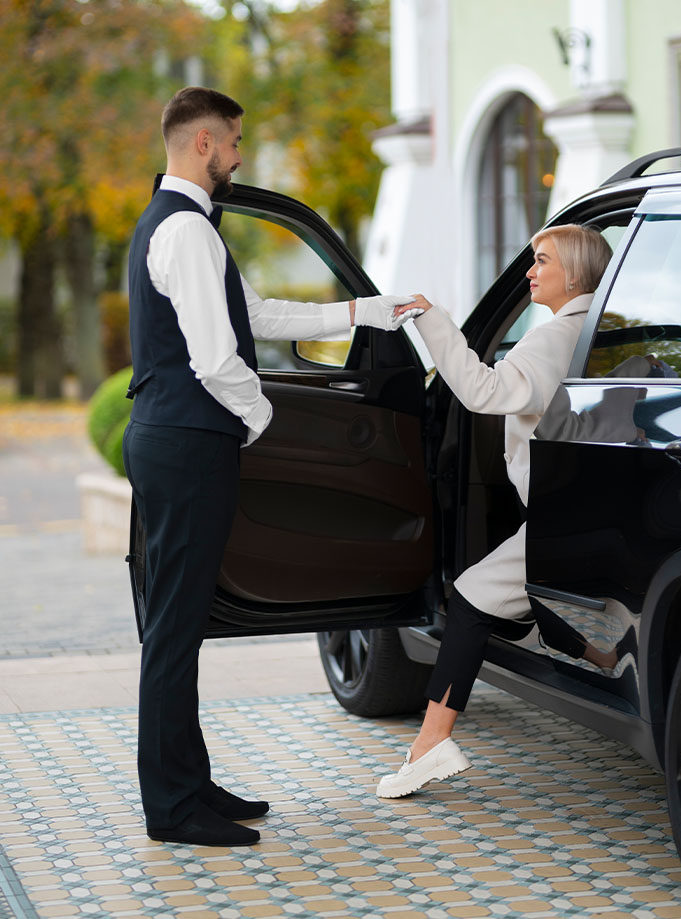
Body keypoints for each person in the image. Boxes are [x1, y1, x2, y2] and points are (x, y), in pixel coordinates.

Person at [122, 86, 416, 846]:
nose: (239, 156)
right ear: (202, 144)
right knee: (174, 628)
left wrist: (364, 311)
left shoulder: (185, 224)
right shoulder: (185, 229)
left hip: (175, 438)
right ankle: (172, 807)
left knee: (182, 622)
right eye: (233, 142)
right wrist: (260, 417)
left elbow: (254, 315)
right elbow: (216, 357)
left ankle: (191, 784)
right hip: (187, 443)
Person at [375, 224, 613, 799]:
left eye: (542, 260)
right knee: (524, 590)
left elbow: (482, 391)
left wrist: (432, 319)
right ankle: (606, 657)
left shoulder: (554, 338)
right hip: (600, 505)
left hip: (563, 516)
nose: (530, 271)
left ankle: (431, 743)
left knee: (473, 596)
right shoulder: (606, 334)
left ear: (575, 275)